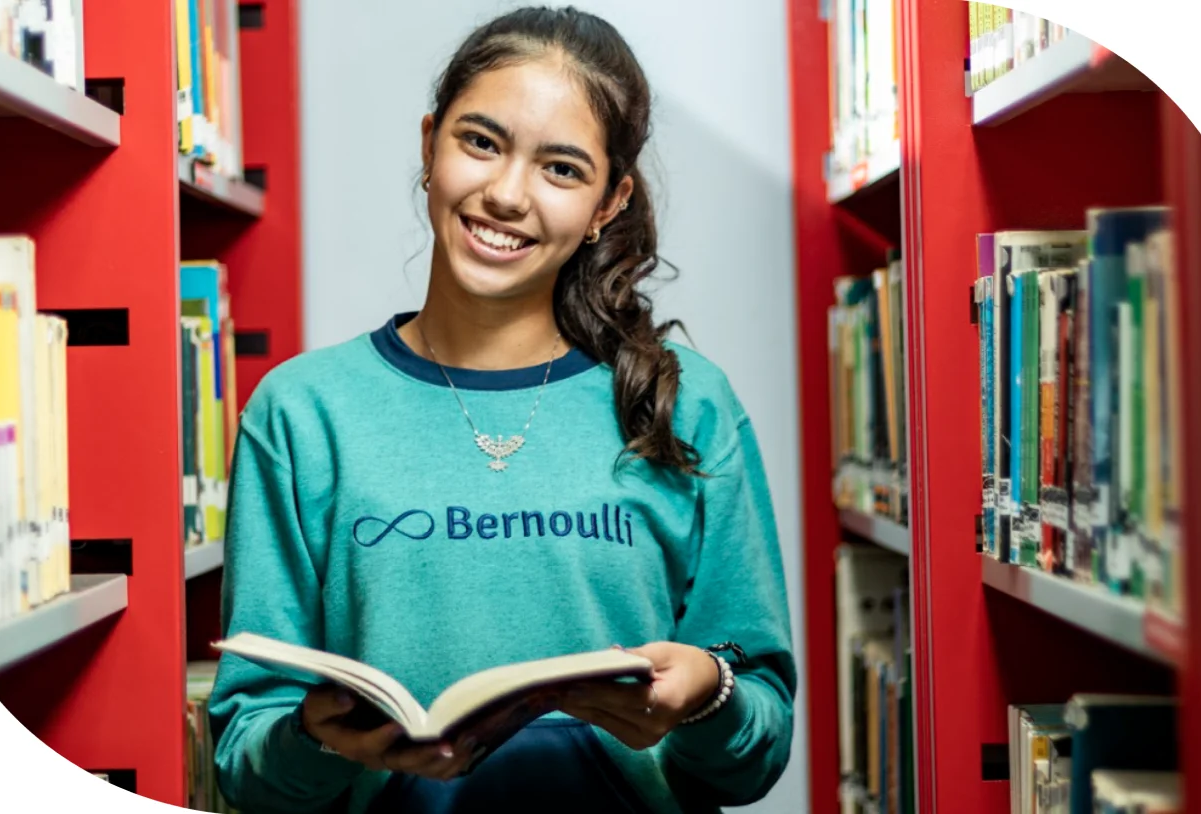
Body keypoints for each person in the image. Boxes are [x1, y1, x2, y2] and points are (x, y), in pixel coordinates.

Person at [208, 6, 795, 813]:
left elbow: (757, 747)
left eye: (561, 169)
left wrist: (704, 696)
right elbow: (245, 759)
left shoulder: (688, 404)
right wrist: (314, 740)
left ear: (608, 204)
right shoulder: (302, 413)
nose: (507, 194)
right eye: (480, 142)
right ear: (429, 145)